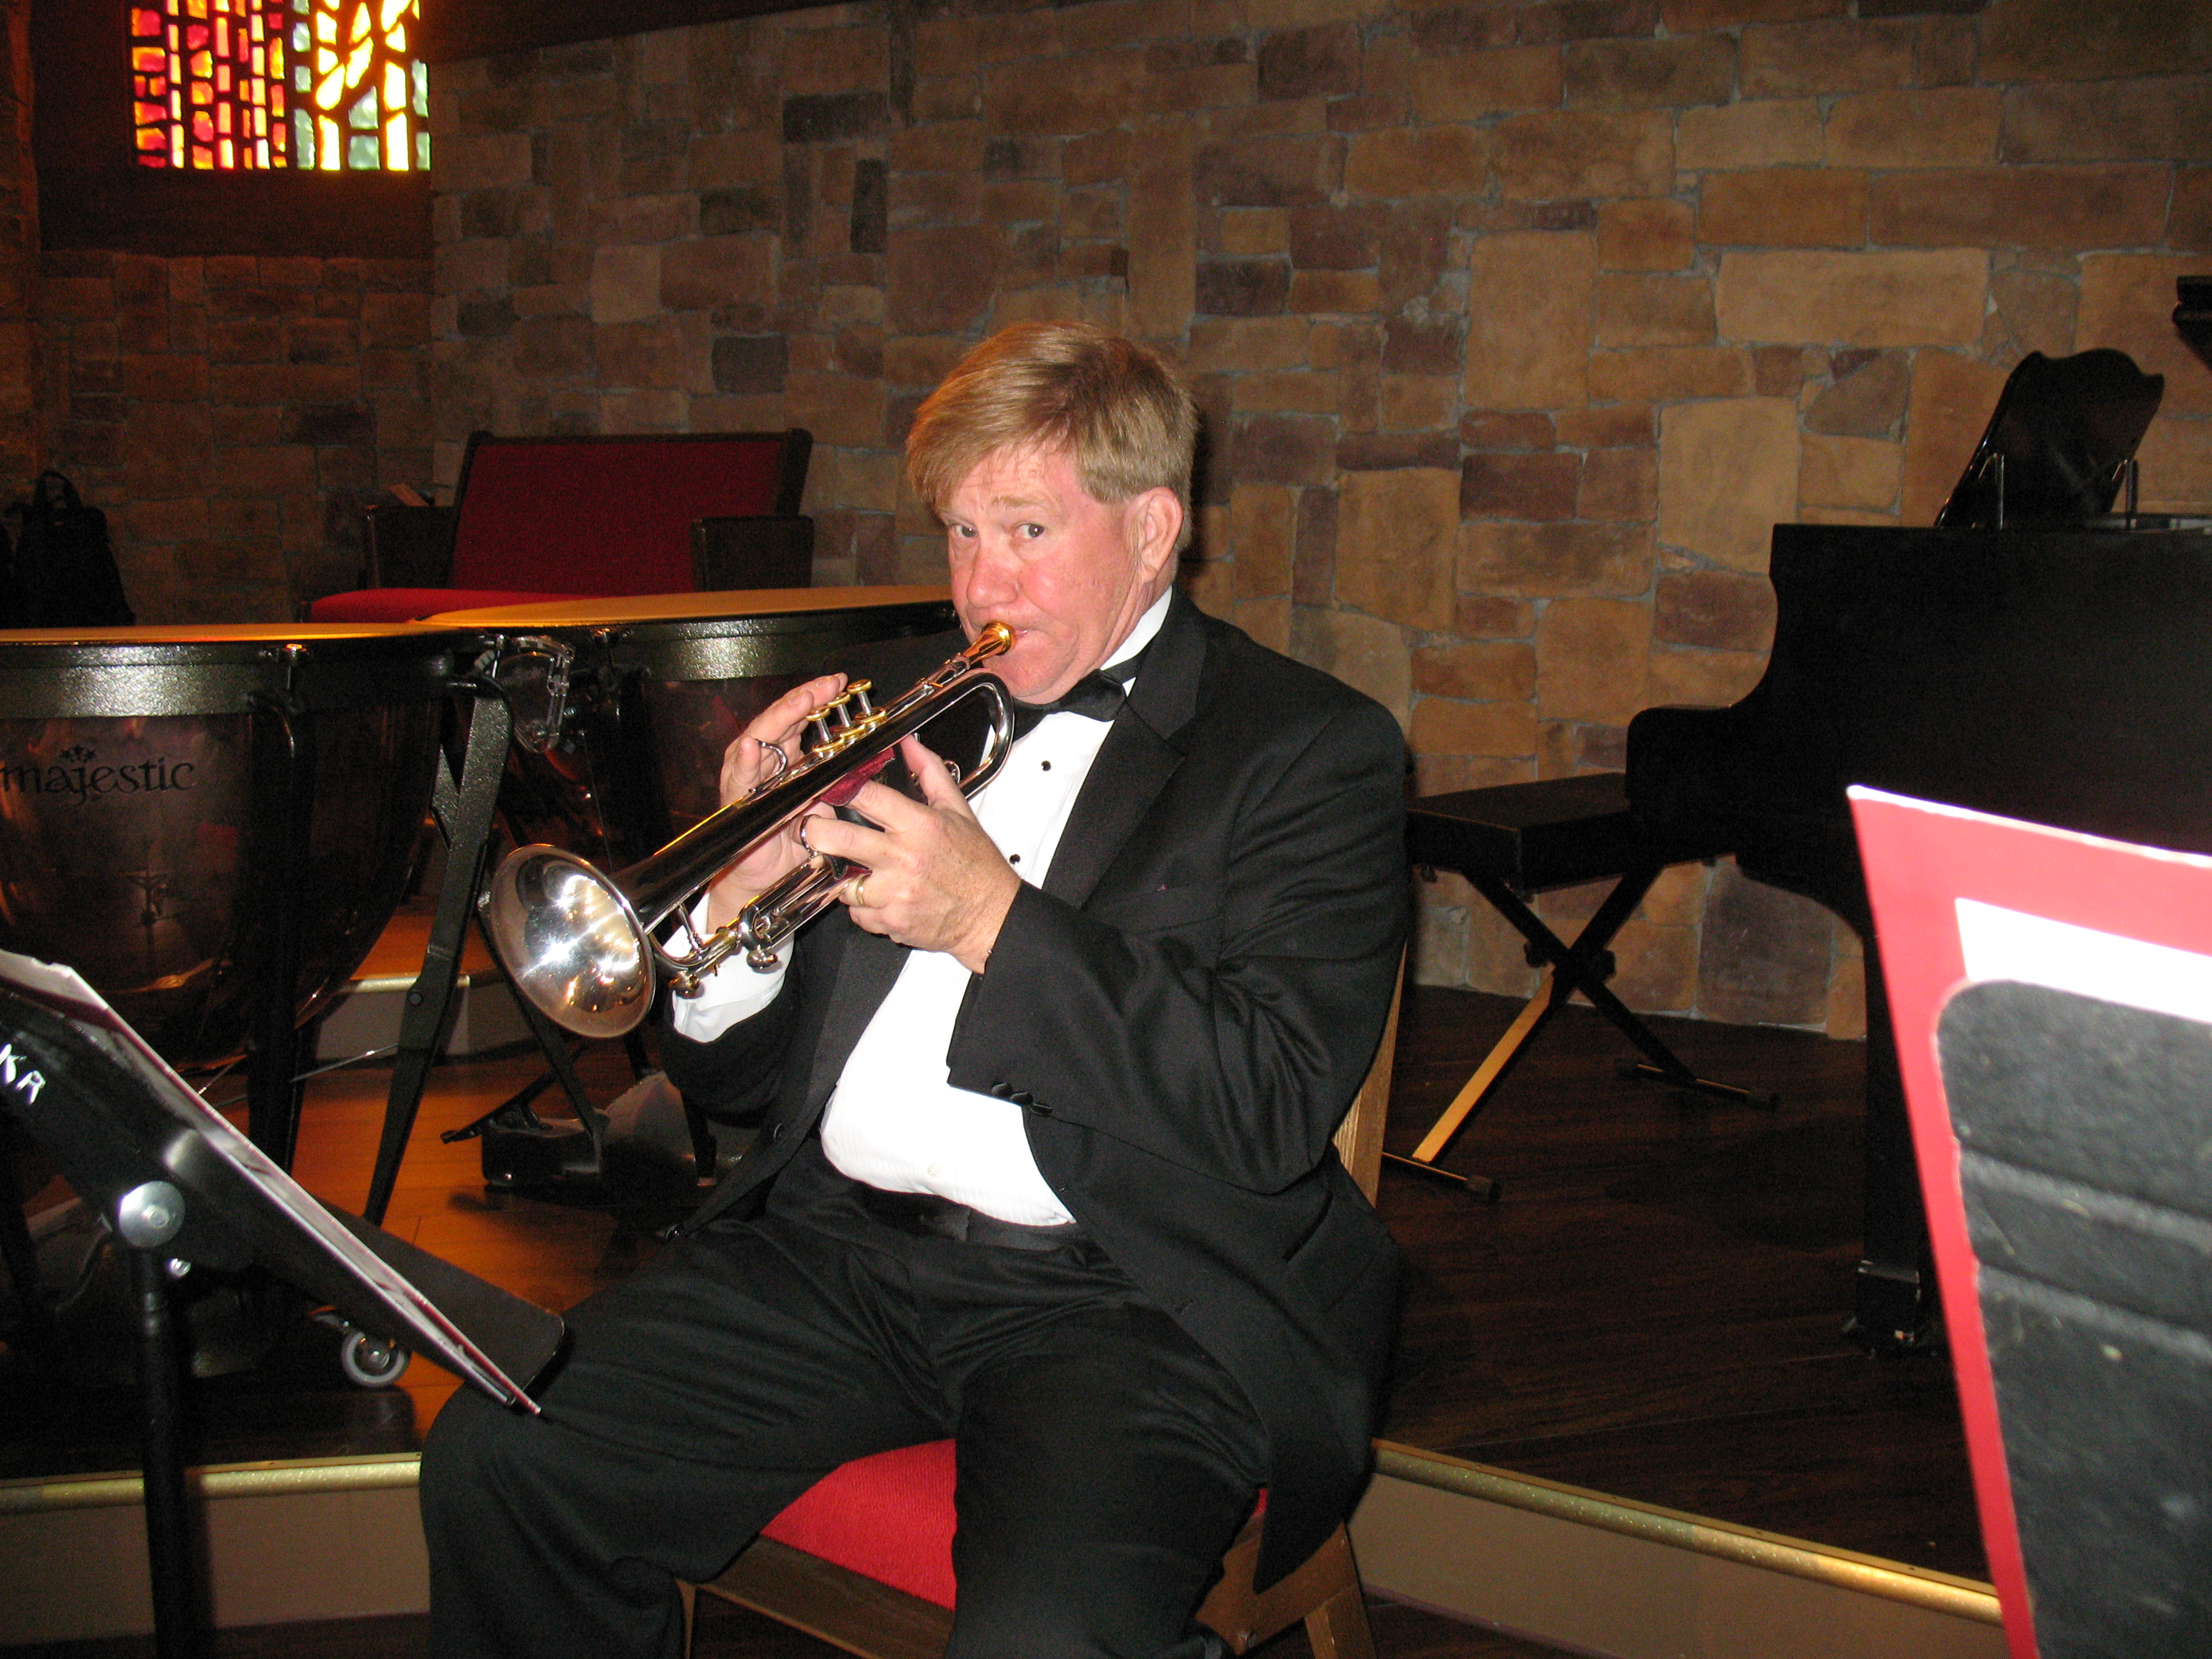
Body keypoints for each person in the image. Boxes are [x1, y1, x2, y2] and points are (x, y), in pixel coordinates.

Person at [420, 322, 1408, 1659]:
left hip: (1131, 1301)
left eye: (1027, 531)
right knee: (500, 1457)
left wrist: (992, 921)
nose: (981, 582)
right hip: (838, 1254)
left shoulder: (1307, 749)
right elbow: (735, 1084)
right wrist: (743, 906)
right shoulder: (887, 705)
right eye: (960, 533)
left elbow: (1269, 1104)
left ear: (1154, 528)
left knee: (1047, 1638)